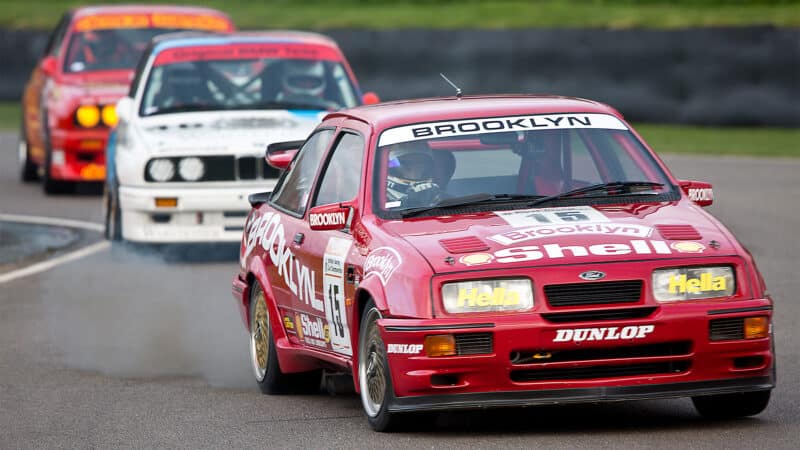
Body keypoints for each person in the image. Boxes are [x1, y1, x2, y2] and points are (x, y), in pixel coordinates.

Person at [385, 141, 441, 208]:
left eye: (420, 163)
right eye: (406, 164)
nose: (414, 172)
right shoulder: (377, 198)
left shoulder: (437, 195)